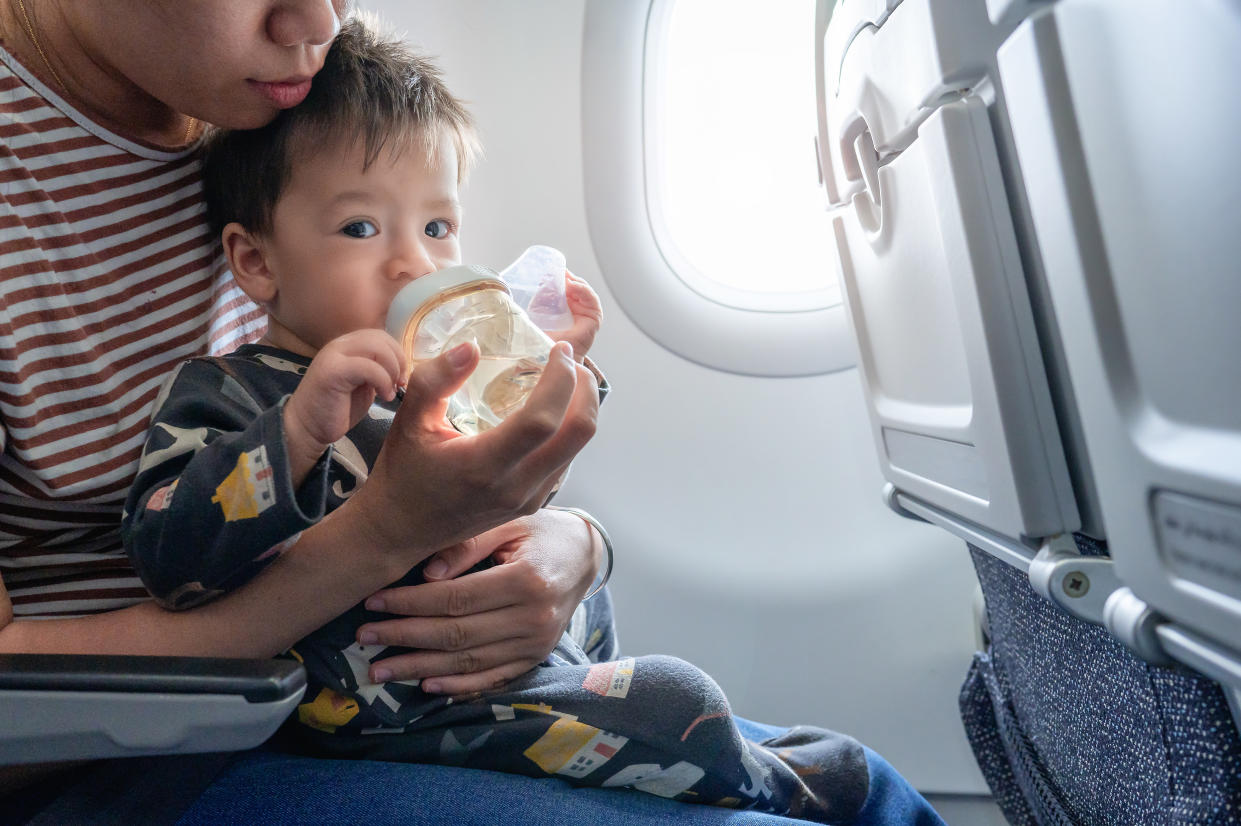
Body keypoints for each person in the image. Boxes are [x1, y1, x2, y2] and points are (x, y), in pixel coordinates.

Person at [0, 2, 943, 824]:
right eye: (364, 229)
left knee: (878, 790)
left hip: (423, 683)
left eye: (438, 228)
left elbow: (472, 481)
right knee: (692, 716)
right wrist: (379, 525)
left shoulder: (291, 102)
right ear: (256, 259)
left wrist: (569, 541)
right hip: (160, 748)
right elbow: (183, 546)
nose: (318, 26)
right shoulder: (247, 371)